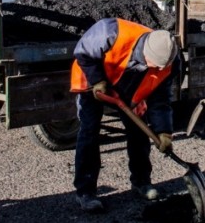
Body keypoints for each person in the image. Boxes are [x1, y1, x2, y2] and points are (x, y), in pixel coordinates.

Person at [69, 18, 178, 213]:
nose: (160, 70)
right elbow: (82, 52)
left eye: (163, 67)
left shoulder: (168, 60)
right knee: (89, 132)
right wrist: (98, 81)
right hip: (93, 83)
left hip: (128, 87)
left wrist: (164, 132)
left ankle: (141, 182)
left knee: (138, 131)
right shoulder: (111, 32)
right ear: (146, 54)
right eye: (156, 65)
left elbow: (160, 100)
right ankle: (85, 192)